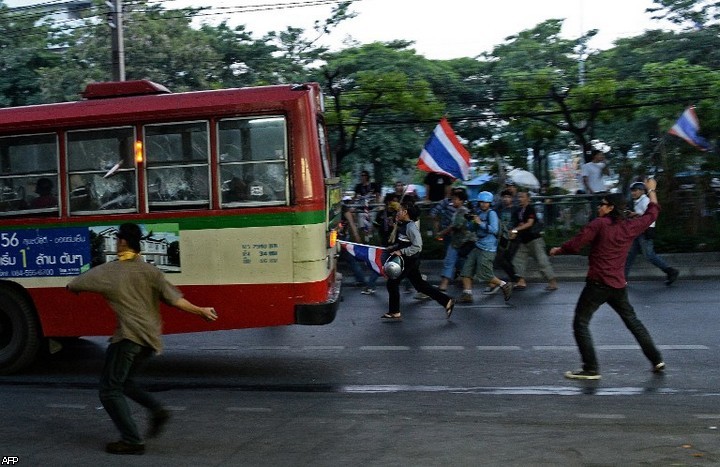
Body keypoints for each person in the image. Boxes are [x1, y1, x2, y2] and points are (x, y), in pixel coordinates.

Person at [67, 223, 218, 455]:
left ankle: (132, 440)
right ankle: (157, 409)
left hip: (128, 338)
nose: (116, 242)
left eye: (118, 238)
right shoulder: (151, 271)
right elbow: (176, 300)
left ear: (123, 242)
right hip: (150, 340)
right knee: (125, 383)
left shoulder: (109, 271)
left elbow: (75, 284)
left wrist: (76, 289)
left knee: (109, 390)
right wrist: (201, 310)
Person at [549, 179, 665, 380]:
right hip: (618, 284)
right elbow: (653, 212)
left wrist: (559, 250)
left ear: (611, 208)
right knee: (633, 322)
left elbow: (576, 244)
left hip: (598, 283)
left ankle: (590, 368)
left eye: (602, 204)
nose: (599, 207)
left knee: (580, 322)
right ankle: (656, 359)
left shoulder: (600, 224)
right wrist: (652, 189)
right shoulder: (630, 226)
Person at [383, 200, 455, 321]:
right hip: (409, 260)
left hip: (409, 260)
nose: (398, 212)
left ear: (405, 212)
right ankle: (447, 301)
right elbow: (403, 243)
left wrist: (401, 252)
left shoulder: (411, 227)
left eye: (400, 210)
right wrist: (394, 248)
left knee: (392, 283)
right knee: (420, 286)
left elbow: (417, 246)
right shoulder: (404, 225)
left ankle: (395, 311)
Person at [458, 191, 513, 303]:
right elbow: (472, 229)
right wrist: (471, 221)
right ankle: (467, 294)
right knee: (466, 270)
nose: (483, 204)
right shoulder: (478, 212)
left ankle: (504, 284)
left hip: (488, 248)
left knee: (484, 274)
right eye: (481, 202)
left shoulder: (491, 213)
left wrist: (480, 223)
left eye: (486, 202)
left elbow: (494, 229)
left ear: (490, 203)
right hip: (478, 245)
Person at [624, 181, 679, 285]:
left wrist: (635, 215)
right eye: (632, 191)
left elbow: (650, 216)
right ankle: (622, 279)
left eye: (635, 191)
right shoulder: (638, 201)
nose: (633, 193)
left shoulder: (645, 201)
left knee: (649, 255)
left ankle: (670, 271)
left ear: (642, 191)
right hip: (638, 231)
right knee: (630, 255)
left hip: (645, 231)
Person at [511, 190, 558, 291]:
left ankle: (552, 282)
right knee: (517, 261)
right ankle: (521, 281)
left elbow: (529, 223)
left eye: (522, 197)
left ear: (528, 198)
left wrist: (516, 229)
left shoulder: (530, 209)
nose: (520, 199)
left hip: (534, 240)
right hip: (524, 241)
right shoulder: (519, 211)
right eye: (519, 197)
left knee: (542, 261)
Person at [491, 189, 521, 293]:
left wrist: (515, 231)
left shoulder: (516, 210)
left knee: (507, 258)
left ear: (512, 198)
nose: (506, 199)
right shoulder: (499, 210)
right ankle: (515, 278)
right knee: (502, 259)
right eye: (504, 197)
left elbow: (520, 223)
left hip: (513, 237)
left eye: (508, 197)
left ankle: (516, 279)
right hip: (502, 237)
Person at [582, 149, 609, 218]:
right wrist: (591, 191)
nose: (602, 156)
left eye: (602, 155)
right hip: (594, 192)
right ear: (595, 156)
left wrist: (605, 164)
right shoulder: (587, 166)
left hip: (602, 191)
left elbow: (607, 174)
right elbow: (585, 180)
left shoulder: (602, 165)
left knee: (604, 210)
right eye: (600, 155)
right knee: (595, 211)